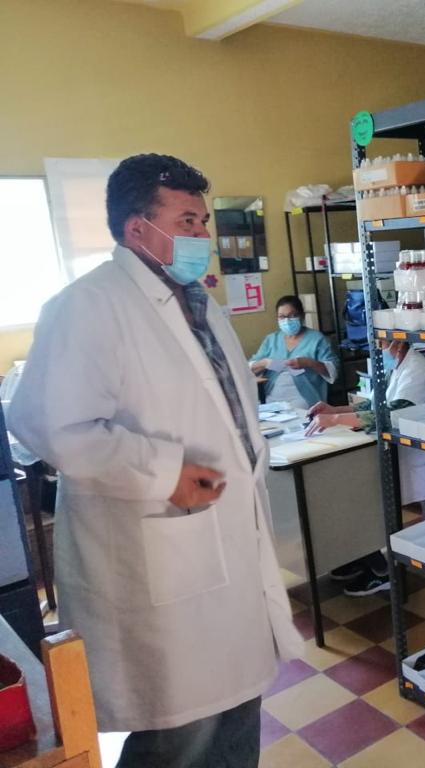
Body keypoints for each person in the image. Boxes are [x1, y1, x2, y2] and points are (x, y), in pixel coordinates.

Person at [9, 154, 303, 768]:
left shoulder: (196, 302)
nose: (202, 235)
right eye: (187, 221)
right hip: (161, 563)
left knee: (236, 714)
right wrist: (164, 473)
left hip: (226, 544)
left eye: (203, 221)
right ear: (136, 228)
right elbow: (47, 424)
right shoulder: (88, 305)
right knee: (178, 738)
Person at [307, 338, 425, 595]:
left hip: (418, 452)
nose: (379, 348)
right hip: (395, 450)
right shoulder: (397, 366)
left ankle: (382, 570)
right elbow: (372, 404)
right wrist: (334, 409)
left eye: (382, 343)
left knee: (365, 499)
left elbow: (393, 412)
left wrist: (336, 419)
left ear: (398, 341)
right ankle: (362, 556)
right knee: (358, 494)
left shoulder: (418, 369)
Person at [249, 295, 339, 412]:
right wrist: (265, 363)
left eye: (292, 315)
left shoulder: (316, 339)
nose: (286, 320)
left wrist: (308, 363)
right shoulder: (271, 340)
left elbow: (333, 371)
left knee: (296, 415)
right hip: (272, 397)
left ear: (302, 316)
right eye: (282, 317)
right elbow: (249, 369)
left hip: (304, 398)